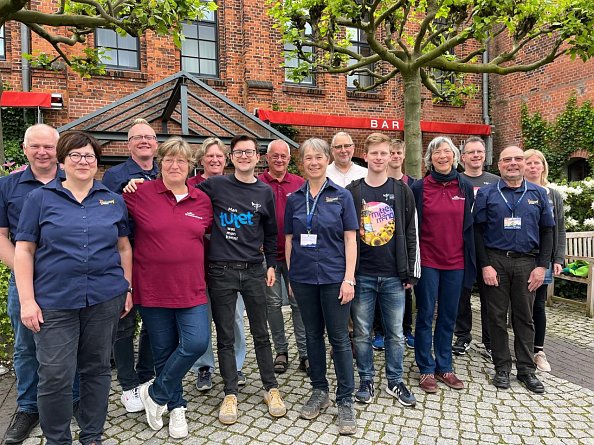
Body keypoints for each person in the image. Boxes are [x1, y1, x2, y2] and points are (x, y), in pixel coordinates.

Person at [14, 130, 133, 445]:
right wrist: (27, 301)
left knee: (96, 370)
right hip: (55, 303)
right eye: (76, 155)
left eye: (90, 156)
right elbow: (24, 250)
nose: (84, 161)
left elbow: (124, 248)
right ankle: (57, 440)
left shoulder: (113, 200)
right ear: (62, 161)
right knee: (55, 375)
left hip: (104, 299)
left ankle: (92, 435)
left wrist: (127, 288)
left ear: (97, 163)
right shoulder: (39, 199)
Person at [123, 137, 212, 439]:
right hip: (152, 288)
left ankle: (156, 394)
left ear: (190, 166)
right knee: (163, 351)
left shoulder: (201, 200)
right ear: (160, 163)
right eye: (170, 160)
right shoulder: (139, 194)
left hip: (191, 288)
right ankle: (177, 408)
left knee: (196, 342)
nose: (175, 165)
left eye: (182, 160)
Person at [197, 134, 286, 424]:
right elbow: (182, 189)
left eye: (249, 152)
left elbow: (271, 233)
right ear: (231, 157)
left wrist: (271, 264)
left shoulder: (264, 192)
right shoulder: (215, 185)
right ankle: (230, 392)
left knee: (261, 332)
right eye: (238, 152)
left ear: (257, 157)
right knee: (225, 334)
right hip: (220, 270)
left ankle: (270, 388)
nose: (244, 156)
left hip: (253, 269)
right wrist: (137, 184)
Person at [0, 124, 79, 444]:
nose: (42, 152)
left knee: (72, 343)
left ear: (58, 150)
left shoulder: (75, 181)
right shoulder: (8, 186)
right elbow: (2, 238)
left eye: (48, 146)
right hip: (27, 283)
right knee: (26, 347)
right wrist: (25, 272)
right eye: (35, 147)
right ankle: (28, 407)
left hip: (68, 282)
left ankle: (72, 400)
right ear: (25, 148)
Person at [285, 138, 359, 435]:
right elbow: (289, 240)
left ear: (327, 160)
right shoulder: (293, 199)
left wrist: (349, 278)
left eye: (318, 157)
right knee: (312, 336)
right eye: (307, 158)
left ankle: (345, 400)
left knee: (339, 338)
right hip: (303, 279)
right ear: (301, 163)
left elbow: (350, 239)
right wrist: (292, 276)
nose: (313, 162)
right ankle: (319, 391)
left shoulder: (342, 196)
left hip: (333, 278)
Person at [347, 133, 420, 408]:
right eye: (374, 153)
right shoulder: (353, 191)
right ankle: (366, 379)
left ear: (392, 156)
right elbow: (346, 235)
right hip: (362, 274)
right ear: (365, 156)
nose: (379, 158)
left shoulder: (402, 191)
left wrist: (411, 272)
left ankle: (395, 381)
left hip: (393, 276)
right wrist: (348, 275)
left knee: (396, 333)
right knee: (363, 333)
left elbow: (412, 232)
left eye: (384, 153)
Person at [474, 146, 554, 393]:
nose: (513, 163)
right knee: (496, 317)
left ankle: (526, 370)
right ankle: (502, 367)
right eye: (507, 159)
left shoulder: (539, 194)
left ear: (524, 163)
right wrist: (485, 264)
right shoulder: (487, 193)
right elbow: (476, 231)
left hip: (527, 264)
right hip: (495, 261)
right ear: (498, 165)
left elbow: (548, 231)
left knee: (524, 318)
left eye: (518, 159)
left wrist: (542, 267)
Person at [410, 136, 476, 393]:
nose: (442, 156)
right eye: (437, 152)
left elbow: (469, 227)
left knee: (448, 315)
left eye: (447, 151)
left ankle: (444, 365)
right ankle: (426, 368)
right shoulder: (419, 187)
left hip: (456, 261)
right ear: (430, 158)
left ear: (454, 156)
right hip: (427, 262)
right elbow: (412, 228)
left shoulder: (465, 186)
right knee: (426, 314)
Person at [102, 118, 157, 413]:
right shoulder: (114, 176)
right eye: (138, 138)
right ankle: (128, 383)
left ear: (156, 143)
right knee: (124, 321)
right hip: (124, 257)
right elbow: (107, 215)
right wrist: (124, 191)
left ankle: (147, 376)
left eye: (149, 137)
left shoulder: (164, 172)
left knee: (152, 320)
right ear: (129, 143)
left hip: (155, 260)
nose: (144, 141)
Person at [188, 137, 249, 391]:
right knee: (202, 317)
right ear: (201, 159)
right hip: (196, 264)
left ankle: (235, 365)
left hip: (230, 263)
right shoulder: (189, 186)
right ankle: (204, 367)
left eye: (219, 156)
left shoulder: (235, 185)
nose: (214, 160)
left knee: (233, 317)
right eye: (209, 156)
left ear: (227, 160)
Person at [258, 139, 308, 375]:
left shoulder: (300, 184)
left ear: (289, 159)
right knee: (273, 304)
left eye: (283, 156)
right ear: (267, 158)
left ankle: (305, 352)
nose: (279, 160)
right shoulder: (257, 184)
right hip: (267, 256)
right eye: (274, 156)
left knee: (299, 304)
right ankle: (281, 351)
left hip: (295, 256)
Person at [452, 137, 500, 358]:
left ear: (485, 155)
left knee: (490, 296)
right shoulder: (456, 180)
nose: (476, 156)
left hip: (489, 247)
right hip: (461, 246)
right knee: (462, 295)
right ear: (462, 157)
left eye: (479, 151)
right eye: (471, 152)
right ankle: (463, 336)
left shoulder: (496, 181)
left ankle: (490, 341)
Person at [524, 149, 566, 373]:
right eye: (528, 163)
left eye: (536, 163)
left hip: (544, 258)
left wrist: (558, 257)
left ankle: (538, 350)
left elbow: (559, 228)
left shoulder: (553, 195)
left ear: (543, 166)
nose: (532, 167)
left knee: (538, 304)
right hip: (521, 257)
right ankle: (521, 348)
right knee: (520, 305)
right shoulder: (516, 191)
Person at [386, 138, 416, 350]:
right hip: (382, 245)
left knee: (404, 290)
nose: (395, 157)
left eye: (399, 153)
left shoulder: (412, 184)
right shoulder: (378, 181)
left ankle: (406, 329)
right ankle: (380, 331)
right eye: (392, 153)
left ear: (404, 155)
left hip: (404, 245)